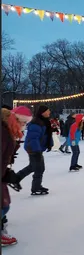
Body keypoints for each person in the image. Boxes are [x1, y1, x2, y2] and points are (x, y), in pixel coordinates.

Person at [1, 106, 32, 247]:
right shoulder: (3, 132)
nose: (24, 126)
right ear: (14, 119)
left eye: (26, 123)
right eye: (23, 122)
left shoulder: (8, 131)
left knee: (4, 206)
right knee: (3, 206)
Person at [17, 105, 53, 195]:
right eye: (48, 111)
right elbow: (33, 138)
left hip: (37, 148)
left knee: (34, 167)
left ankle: (16, 179)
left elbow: (47, 134)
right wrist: (36, 150)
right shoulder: (36, 122)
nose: (49, 112)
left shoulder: (44, 121)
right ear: (42, 112)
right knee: (39, 168)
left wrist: (49, 144)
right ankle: (35, 187)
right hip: (33, 148)